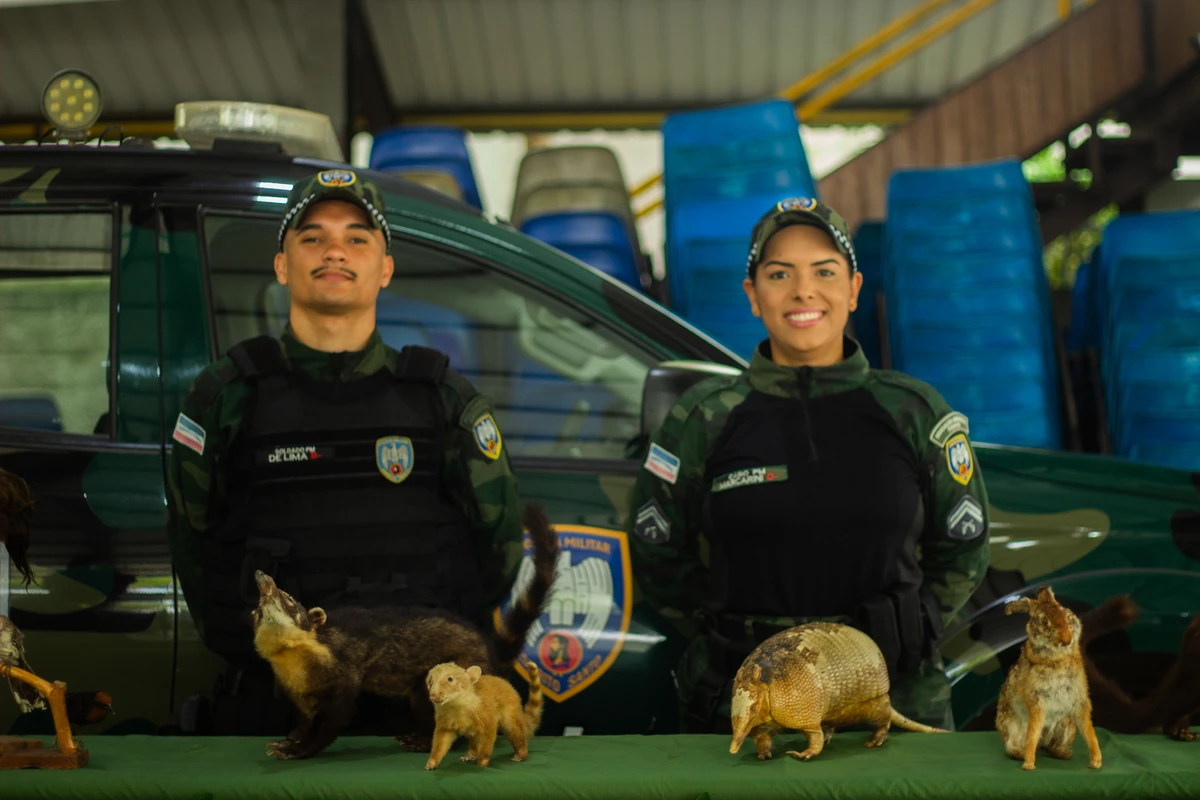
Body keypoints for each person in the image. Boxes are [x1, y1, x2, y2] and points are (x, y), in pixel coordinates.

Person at [165, 169, 524, 734]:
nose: (335, 249)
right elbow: (193, 545)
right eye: (312, 237)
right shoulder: (226, 396)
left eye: (358, 238)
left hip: (422, 709)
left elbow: (500, 549)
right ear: (282, 264)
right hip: (282, 706)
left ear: (385, 268)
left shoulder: (442, 399)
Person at [627, 196, 990, 734]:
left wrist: (913, 627)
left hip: (890, 694)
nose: (803, 291)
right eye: (780, 274)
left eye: (825, 271)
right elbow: (658, 553)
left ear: (854, 289)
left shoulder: (913, 410)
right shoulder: (702, 417)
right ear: (753, 295)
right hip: (750, 694)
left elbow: (963, 543)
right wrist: (731, 633)